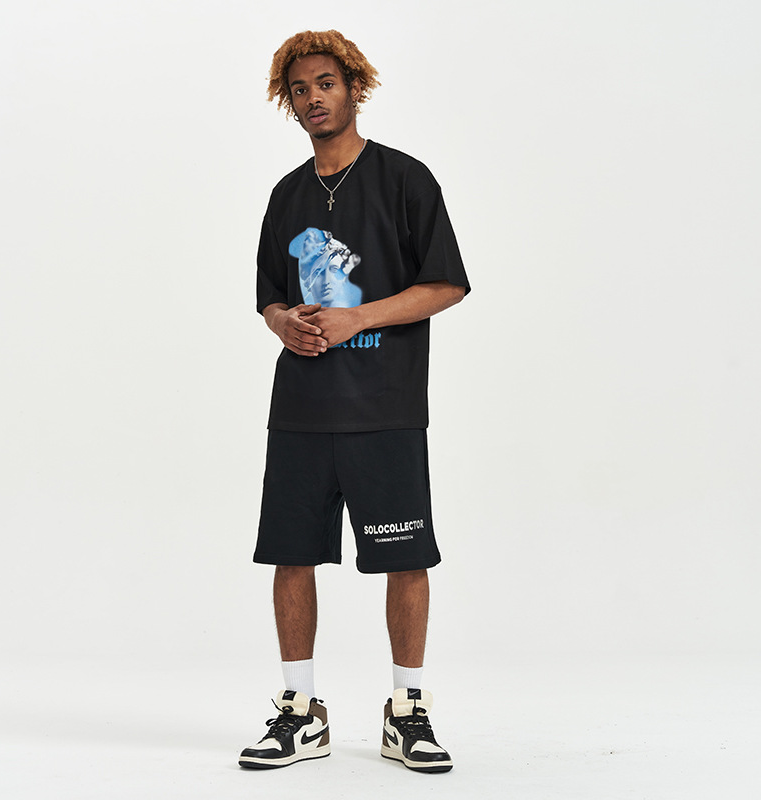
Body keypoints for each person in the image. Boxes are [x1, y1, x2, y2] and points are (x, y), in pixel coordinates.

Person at [239, 30, 470, 773]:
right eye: (300, 89)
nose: (313, 98)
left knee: (407, 560)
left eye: (326, 83)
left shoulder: (405, 179)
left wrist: (356, 317)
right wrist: (283, 322)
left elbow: (447, 284)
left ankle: (407, 713)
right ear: (290, 102)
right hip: (301, 411)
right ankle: (299, 713)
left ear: (353, 88)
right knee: (291, 557)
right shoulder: (286, 195)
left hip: (384, 408)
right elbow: (269, 296)